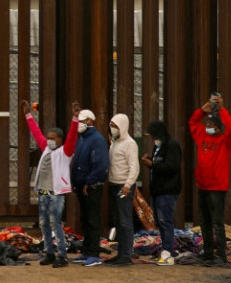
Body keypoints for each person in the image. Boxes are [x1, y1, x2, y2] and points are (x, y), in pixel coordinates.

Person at [23, 100, 80, 268]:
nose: (49, 141)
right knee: (44, 223)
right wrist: (28, 115)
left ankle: (61, 254)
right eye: (48, 138)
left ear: (60, 140)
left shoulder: (65, 152)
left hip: (56, 194)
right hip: (44, 192)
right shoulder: (46, 149)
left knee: (55, 223)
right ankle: (49, 252)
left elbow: (72, 137)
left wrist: (75, 118)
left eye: (52, 139)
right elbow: (36, 132)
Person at [188, 93, 231, 264]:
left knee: (217, 222)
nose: (207, 126)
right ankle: (208, 252)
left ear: (217, 127)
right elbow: (193, 123)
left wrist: (222, 109)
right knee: (204, 221)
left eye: (211, 124)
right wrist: (202, 111)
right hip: (203, 185)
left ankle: (221, 254)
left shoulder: (225, 141)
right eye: (207, 123)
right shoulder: (202, 136)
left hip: (217, 187)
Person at [70, 109, 109, 267]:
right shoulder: (83, 139)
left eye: (82, 121)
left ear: (90, 121)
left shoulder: (96, 140)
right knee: (85, 219)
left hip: (91, 186)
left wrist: (89, 182)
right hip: (82, 186)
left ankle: (94, 253)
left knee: (92, 219)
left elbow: (100, 165)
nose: (79, 124)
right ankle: (86, 251)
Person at [141, 120, 182, 266]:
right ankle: (166, 249)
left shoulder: (172, 146)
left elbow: (172, 167)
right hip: (158, 190)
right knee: (160, 222)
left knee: (166, 221)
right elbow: (160, 165)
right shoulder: (158, 147)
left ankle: (168, 252)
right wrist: (151, 162)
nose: (152, 139)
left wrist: (153, 164)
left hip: (167, 190)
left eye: (153, 135)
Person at [104, 113, 140, 266]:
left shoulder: (130, 144)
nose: (112, 128)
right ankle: (121, 252)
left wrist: (127, 185)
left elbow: (134, 167)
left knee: (125, 220)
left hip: (123, 186)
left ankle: (126, 254)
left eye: (115, 126)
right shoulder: (115, 142)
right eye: (111, 125)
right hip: (113, 184)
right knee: (118, 220)